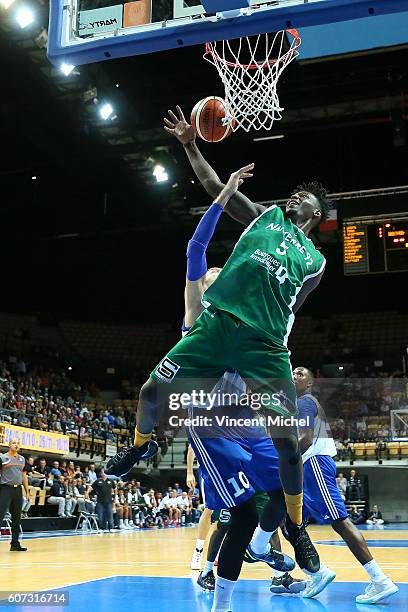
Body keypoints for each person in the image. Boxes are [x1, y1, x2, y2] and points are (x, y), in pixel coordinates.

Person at [107, 108, 328, 544]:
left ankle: (297, 528)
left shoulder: (315, 261)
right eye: (295, 192)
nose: (295, 196)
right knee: (151, 392)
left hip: (263, 343)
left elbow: (292, 308)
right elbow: (213, 186)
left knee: (286, 443)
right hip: (217, 325)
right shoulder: (266, 218)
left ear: (316, 213)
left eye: (304, 196)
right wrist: (190, 143)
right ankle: (140, 445)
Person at [280, 367, 398, 604]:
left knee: (340, 523)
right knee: (290, 524)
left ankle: (380, 580)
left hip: (314, 465)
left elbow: (306, 438)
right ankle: (316, 572)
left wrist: (284, 462)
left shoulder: (305, 401)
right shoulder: (296, 405)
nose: (294, 375)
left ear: (311, 383)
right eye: (293, 372)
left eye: (301, 373)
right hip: (307, 468)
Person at [0, 439, 28, 551]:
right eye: (14, 443)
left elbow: (24, 476)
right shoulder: (3, 458)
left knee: (16, 518)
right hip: (5, 488)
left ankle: (15, 544)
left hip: (18, 490)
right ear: (9, 445)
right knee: (0, 515)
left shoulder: (22, 459)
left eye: (18, 443)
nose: (16, 445)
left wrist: (27, 491)